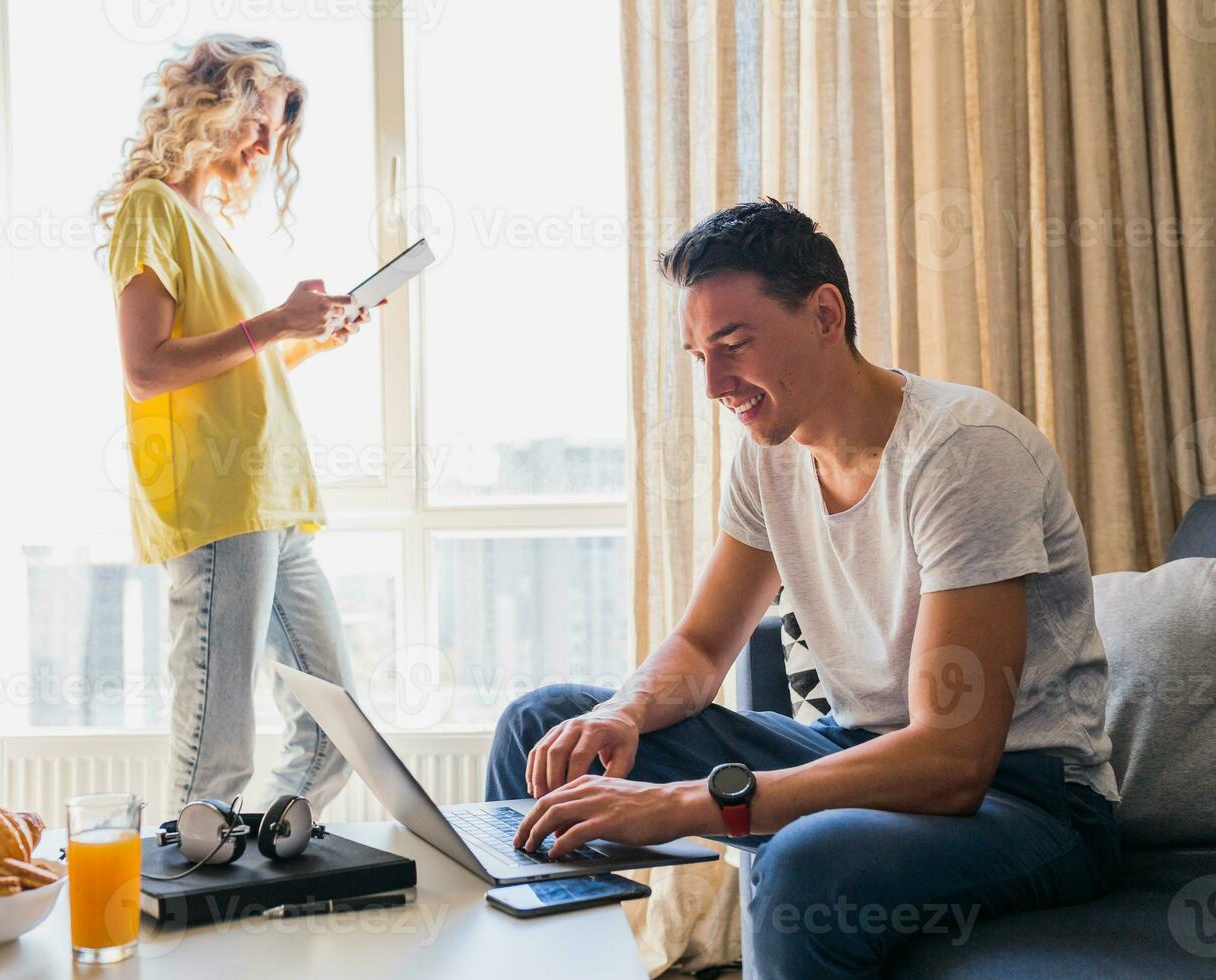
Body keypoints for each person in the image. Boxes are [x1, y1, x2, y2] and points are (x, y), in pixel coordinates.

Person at [486, 200, 1120, 977]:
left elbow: (952, 762)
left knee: (808, 862)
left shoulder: (962, 452)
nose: (715, 383)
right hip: (865, 752)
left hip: (1024, 801)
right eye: (698, 356)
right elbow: (700, 646)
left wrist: (682, 804)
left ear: (825, 314)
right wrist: (623, 711)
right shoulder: (768, 457)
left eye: (734, 345)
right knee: (548, 728)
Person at [96, 35, 370, 815]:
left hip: (272, 503)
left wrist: (303, 338)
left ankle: (255, 874)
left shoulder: (208, 229)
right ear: (212, 103)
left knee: (334, 731)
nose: (266, 142)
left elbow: (233, 374)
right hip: (221, 504)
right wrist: (275, 319)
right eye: (259, 118)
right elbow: (147, 368)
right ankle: (193, 904)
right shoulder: (153, 210)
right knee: (215, 753)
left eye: (277, 130)